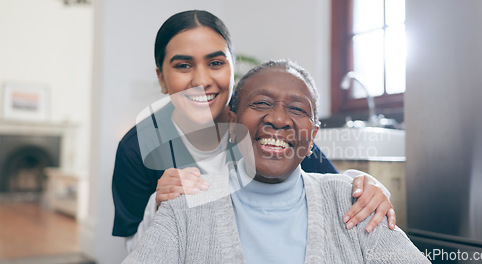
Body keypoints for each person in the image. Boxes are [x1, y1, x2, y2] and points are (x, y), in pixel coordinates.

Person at [112, 10, 396, 252]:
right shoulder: (137, 148)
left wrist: (365, 184)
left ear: (232, 68)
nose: (201, 80)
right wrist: (158, 208)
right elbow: (134, 251)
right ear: (161, 78)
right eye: (183, 65)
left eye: (216, 63)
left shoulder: (265, 127)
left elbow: (329, 187)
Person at [123, 59, 429, 264]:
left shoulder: (354, 204)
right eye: (261, 104)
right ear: (232, 125)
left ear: (313, 137)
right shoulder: (187, 205)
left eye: (297, 109)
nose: (279, 119)